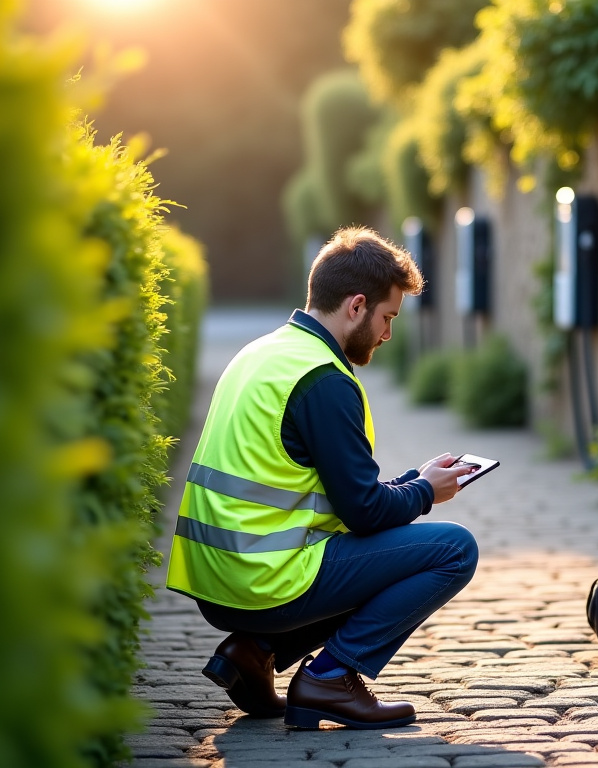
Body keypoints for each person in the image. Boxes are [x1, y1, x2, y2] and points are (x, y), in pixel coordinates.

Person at [165, 227, 479, 730]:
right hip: (264, 582)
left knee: (383, 549)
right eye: (387, 317)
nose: (387, 334)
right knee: (454, 549)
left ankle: (254, 651)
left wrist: (415, 481)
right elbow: (363, 513)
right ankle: (330, 677)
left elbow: (339, 497)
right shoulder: (323, 379)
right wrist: (423, 494)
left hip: (217, 580)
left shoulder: (263, 353)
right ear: (357, 306)